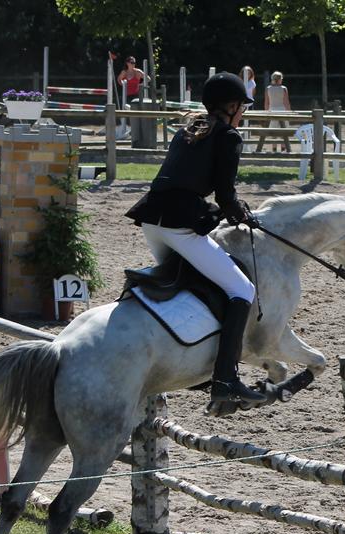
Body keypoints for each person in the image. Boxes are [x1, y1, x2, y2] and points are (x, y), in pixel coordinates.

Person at [124, 72, 266, 408]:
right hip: (179, 224)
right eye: (242, 106)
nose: (243, 112)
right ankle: (225, 379)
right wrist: (242, 215)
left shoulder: (189, 129)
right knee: (242, 290)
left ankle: (193, 365)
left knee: (185, 278)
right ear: (231, 106)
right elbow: (226, 193)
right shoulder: (228, 136)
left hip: (152, 219)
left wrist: (228, 209)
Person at [255, 71, 291, 153]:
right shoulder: (284, 88)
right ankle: (284, 149)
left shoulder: (268, 88)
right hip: (282, 110)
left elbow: (266, 103)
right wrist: (289, 112)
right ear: (279, 79)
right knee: (283, 132)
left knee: (273, 131)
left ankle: (274, 149)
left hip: (272, 110)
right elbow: (286, 102)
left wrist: (266, 112)